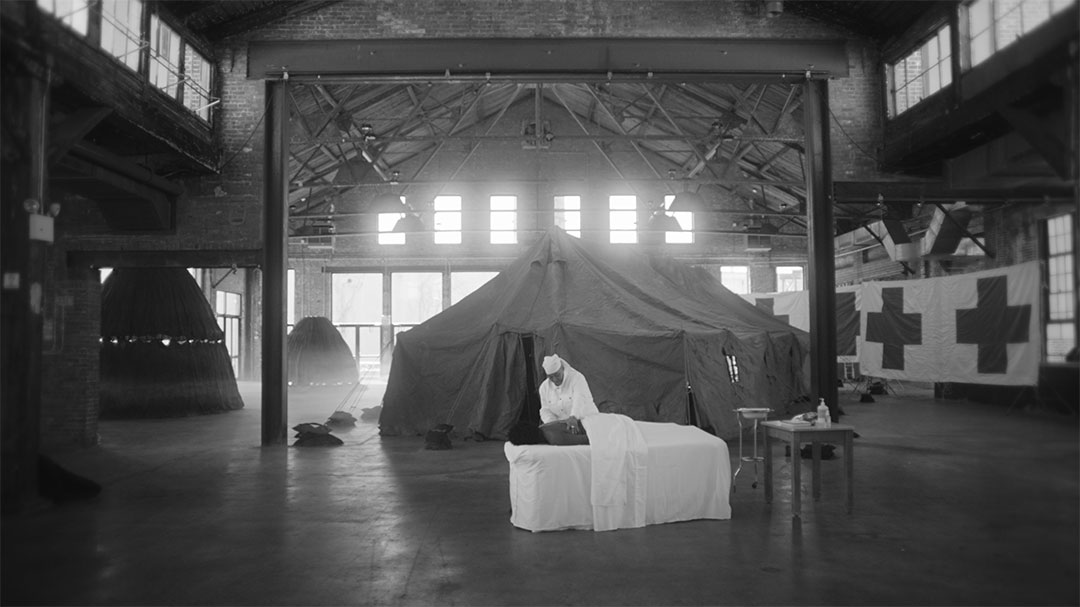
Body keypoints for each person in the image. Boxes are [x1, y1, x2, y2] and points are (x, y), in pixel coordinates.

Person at [537, 354, 598, 445]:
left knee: (591, 439)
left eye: (557, 375)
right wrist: (553, 425)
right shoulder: (544, 388)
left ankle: (595, 440)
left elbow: (579, 399)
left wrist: (573, 416)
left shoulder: (577, 378)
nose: (554, 379)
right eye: (551, 377)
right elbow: (545, 410)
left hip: (587, 422)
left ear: (562, 368)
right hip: (566, 429)